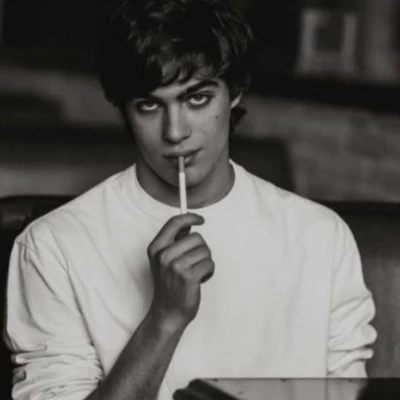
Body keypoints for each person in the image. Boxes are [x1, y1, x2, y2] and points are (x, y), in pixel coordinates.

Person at [4, 0, 377, 399]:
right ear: (124, 112)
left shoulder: (321, 236)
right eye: (149, 105)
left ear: (234, 93)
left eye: (196, 98)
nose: (175, 131)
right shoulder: (52, 246)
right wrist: (165, 319)